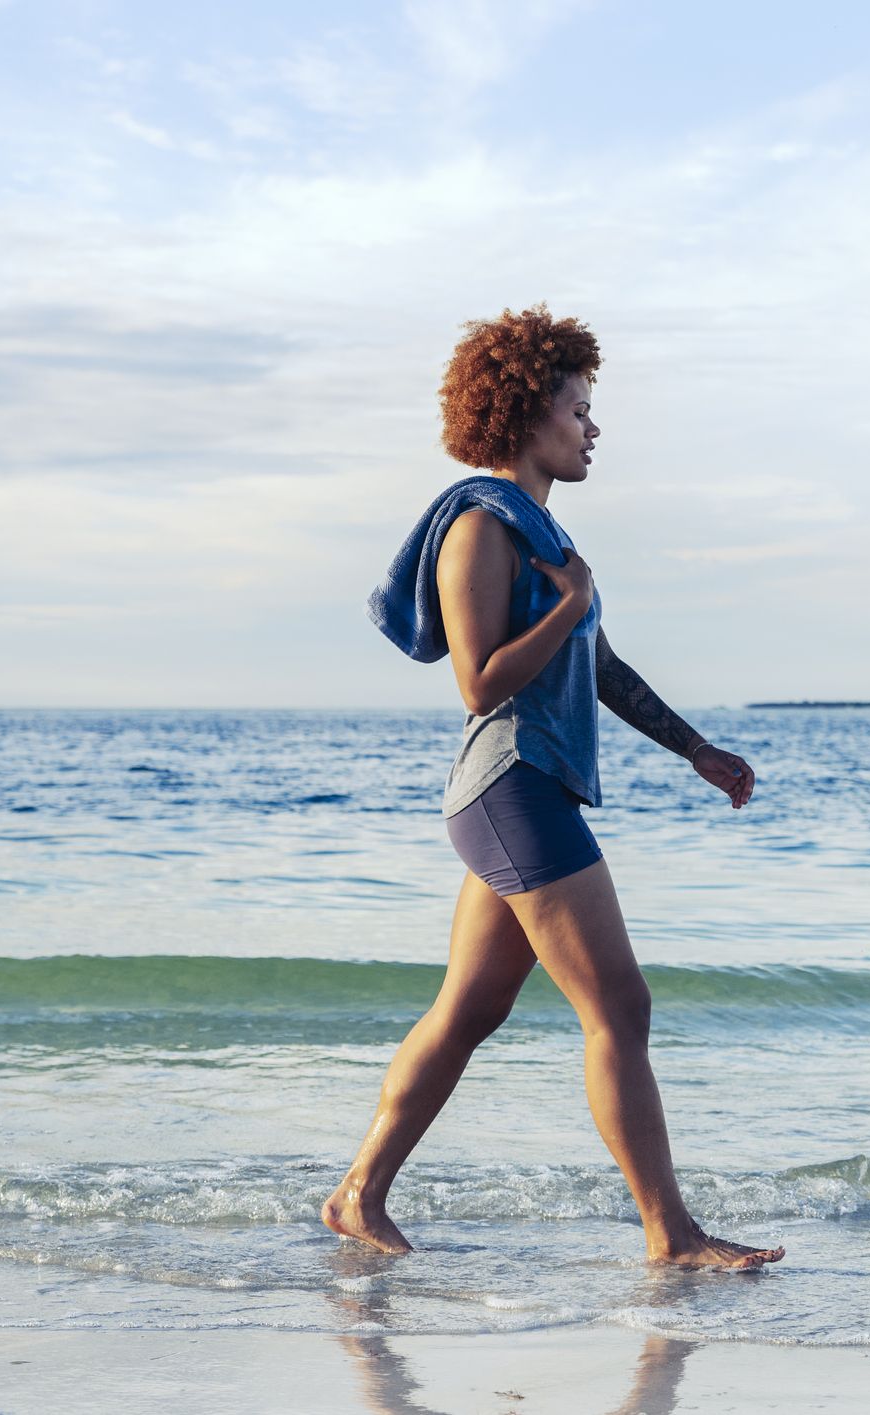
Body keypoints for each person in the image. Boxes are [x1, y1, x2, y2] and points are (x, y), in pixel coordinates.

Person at [324, 304, 784, 1271]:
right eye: (578, 408)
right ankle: (672, 1234)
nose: (592, 427)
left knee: (467, 1011)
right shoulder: (480, 527)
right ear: (527, 410)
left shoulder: (541, 529)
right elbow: (480, 679)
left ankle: (357, 1197)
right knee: (620, 1005)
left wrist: (695, 749)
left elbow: (601, 665)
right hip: (510, 786)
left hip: (530, 791)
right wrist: (569, 599)